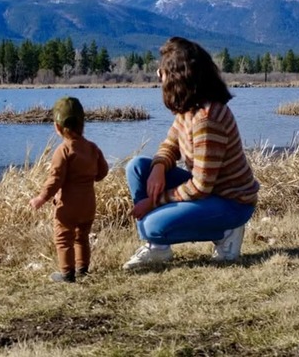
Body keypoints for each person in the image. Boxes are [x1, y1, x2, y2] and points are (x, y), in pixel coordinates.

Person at [122, 36, 259, 270]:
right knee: (137, 167)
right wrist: (158, 167)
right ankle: (158, 249)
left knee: (152, 226)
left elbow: (201, 186)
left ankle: (227, 232)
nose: (159, 76)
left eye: (162, 72)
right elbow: (170, 143)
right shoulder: (188, 109)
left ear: (178, 77)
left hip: (231, 201)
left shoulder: (207, 120)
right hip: (210, 191)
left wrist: (153, 202)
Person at [30, 96, 109, 283]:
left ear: (57, 127)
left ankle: (67, 273)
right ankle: (82, 268)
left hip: (68, 206)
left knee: (64, 238)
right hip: (88, 204)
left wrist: (41, 198)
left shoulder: (63, 151)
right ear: (83, 123)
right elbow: (103, 172)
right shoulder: (92, 148)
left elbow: (55, 179)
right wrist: (91, 177)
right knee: (82, 236)